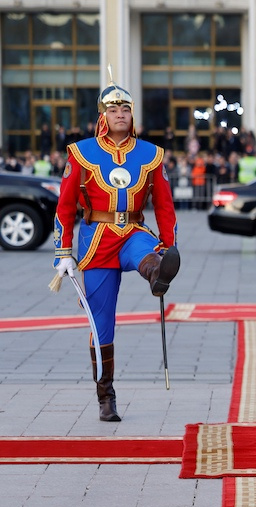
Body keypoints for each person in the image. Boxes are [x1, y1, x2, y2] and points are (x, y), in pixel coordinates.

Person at [51, 74, 180, 422]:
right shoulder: (81, 153)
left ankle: (157, 273)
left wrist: (169, 246)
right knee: (101, 324)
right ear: (102, 116)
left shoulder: (151, 154)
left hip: (133, 229)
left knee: (146, 252)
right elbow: (64, 206)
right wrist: (63, 253)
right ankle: (106, 396)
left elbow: (165, 206)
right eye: (113, 109)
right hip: (96, 239)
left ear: (132, 114)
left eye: (126, 108)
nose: (120, 114)